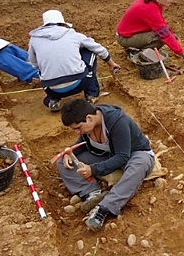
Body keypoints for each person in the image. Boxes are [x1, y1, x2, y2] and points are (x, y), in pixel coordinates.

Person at [57, 99, 155, 231]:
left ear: (89, 118)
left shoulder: (118, 122)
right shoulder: (89, 125)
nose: (77, 132)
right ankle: (92, 193)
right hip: (107, 154)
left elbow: (122, 156)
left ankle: (104, 208)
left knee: (139, 165)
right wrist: (70, 151)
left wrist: (93, 169)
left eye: (78, 128)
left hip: (133, 154)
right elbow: (83, 142)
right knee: (63, 160)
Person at [28, 10, 121, 112]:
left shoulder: (34, 39)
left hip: (52, 89)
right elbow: (98, 48)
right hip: (79, 84)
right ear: (62, 23)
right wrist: (111, 64)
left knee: (42, 68)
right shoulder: (73, 34)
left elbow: (33, 62)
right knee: (89, 50)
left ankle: (53, 100)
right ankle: (91, 94)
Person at [115, 0, 184, 64]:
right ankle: (137, 53)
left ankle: (141, 49)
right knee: (160, 38)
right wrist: (182, 53)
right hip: (126, 38)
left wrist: (172, 37)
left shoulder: (151, 2)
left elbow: (162, 25)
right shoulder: (149, 9)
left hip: (130, 34)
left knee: (168, 35)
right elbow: (164, 34)